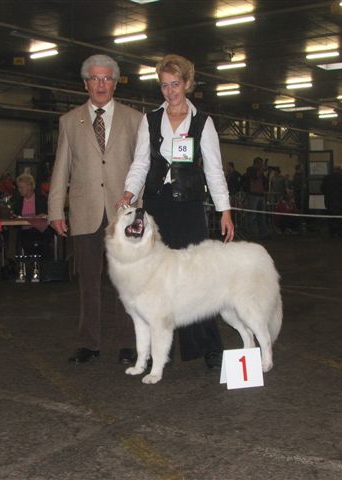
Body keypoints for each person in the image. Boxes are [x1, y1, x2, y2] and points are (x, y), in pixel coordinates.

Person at [117, 53, 234, 370]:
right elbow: (141, 162)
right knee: (153, 280)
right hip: (156, 205)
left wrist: (224, 210)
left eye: (175, 84)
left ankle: (208, 346)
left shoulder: (203, 122)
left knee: (197, 279)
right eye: (164, 85)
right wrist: (129, 192)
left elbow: (214, 170)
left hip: (190, 207)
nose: (170, 91)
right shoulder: (150, 119)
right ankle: (155, 350)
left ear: (188, 84)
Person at [48, 54, 142, 365]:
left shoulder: (135, 119)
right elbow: (61, 168)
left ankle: (129, 343)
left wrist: (140, 211)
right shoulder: (68, 121)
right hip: (84, 212)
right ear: (86, 83)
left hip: (124, 214)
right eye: (95, 78)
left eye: (106, 78)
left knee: (125, 282)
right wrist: (55, 210)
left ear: (115, 83)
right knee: (88, 281)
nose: (101, 84)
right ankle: (89, 342)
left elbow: (142, 166)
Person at [12, 173, 50, 258]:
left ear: (29, 187)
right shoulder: (18, 202)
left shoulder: (41, 199)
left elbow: (44, 215)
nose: (19, 190)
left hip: (39, 231)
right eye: (19, 187)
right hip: (24, 231)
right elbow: (15, 216)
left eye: (22, 187)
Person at [243, 156, 268, 237]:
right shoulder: (250, 170)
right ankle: (249, 232)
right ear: (256, 163)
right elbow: (254, 176)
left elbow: (265, 182)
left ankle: (263, 232)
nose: (261, 166)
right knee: (251, 215)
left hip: (260, 195)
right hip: (252, 195)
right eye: (260, 164)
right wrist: (261, 170)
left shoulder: (261, 173)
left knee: (261, 215)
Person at [320, 166, 342, 238]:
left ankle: (332, 232)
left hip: (329, 201)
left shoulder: (327, 178)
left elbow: (322, 188)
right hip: (340, 201)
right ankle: (339, 232)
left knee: (331, 216)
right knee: (340, 217)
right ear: (340, 170)